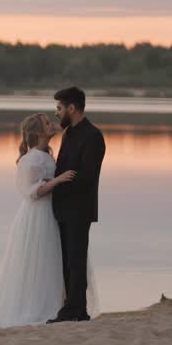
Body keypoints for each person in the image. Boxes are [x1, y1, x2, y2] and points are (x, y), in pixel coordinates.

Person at [0, 113, 77, 327]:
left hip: (49, 212)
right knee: (39, 258)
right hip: (37, 215)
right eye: (47, 123)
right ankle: (38, 306)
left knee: (50, 259)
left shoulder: (46, 155)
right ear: (38, 132)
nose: (52, 124)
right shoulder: (32, 159)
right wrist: (58, 180)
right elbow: (32, 191)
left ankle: (56, 303)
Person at [49, 86, 105, 323]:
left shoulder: (93, 136)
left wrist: (58, 184)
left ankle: (74, 311)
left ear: (72, 108)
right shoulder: (69, 133)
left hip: (79, 208)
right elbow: (63, 169)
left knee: (76, 259)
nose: (56, 113)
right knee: (67, 261)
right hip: (62, 208)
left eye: (59, 108)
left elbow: (87, 177)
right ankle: (74, 310)